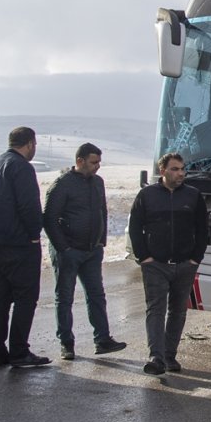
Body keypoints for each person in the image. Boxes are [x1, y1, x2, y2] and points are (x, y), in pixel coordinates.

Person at [43, 142, 126, 360]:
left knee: (97, 295)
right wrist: (64, 248)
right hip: (68, 252)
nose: (98, 166)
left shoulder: (98, 182)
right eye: (93, 162)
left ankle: (103, 340)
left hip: (92, 251)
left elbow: (102, 212)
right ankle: (66, 343)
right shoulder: (62, 184)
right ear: (80, 161)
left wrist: (101, 242)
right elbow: (49, 218)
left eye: (99, 162)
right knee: (65, 298)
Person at [128, 152, 208, 375]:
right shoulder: (147, 195)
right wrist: (144, 257)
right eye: (175, 169)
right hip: (155, 264)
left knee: (178, 311)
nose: (180, 173)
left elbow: (203, 229)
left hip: (185, 264)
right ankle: (156, 357)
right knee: (156, 309)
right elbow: (135, 227)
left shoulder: (193, 196)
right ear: (162, 171)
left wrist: (195, 258)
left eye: (182, 169)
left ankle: (169, 356)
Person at [0, 126, 51, 367]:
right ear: (30, 144)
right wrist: (34, 234)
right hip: (20, 245)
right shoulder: (22, 167)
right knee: (25, 298)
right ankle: (19, 352)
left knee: (1, 297)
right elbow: (28, 206)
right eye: (34, 145)